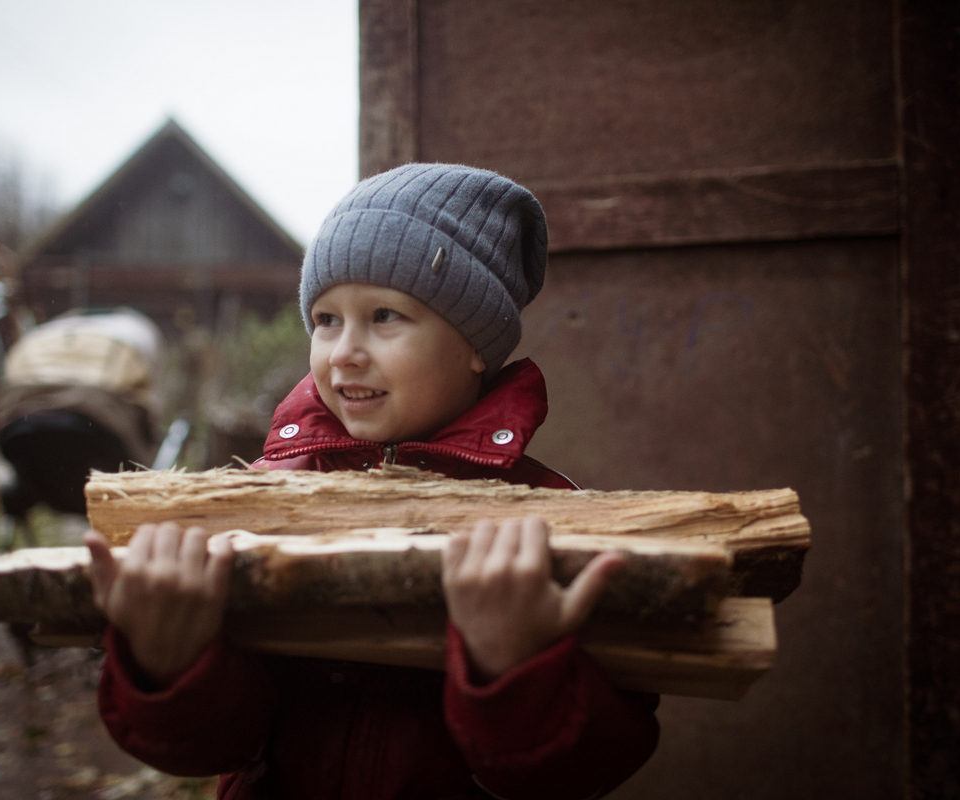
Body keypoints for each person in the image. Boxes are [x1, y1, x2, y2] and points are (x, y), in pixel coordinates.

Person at [85, 163, 660, 800]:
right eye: (326, 320)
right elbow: (216, 746)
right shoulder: (259, 500)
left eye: (384, 316)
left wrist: (518, 669)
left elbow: (586, 767)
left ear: (475, 343)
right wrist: (170, 664)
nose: (343, 353)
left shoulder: (547, 522)